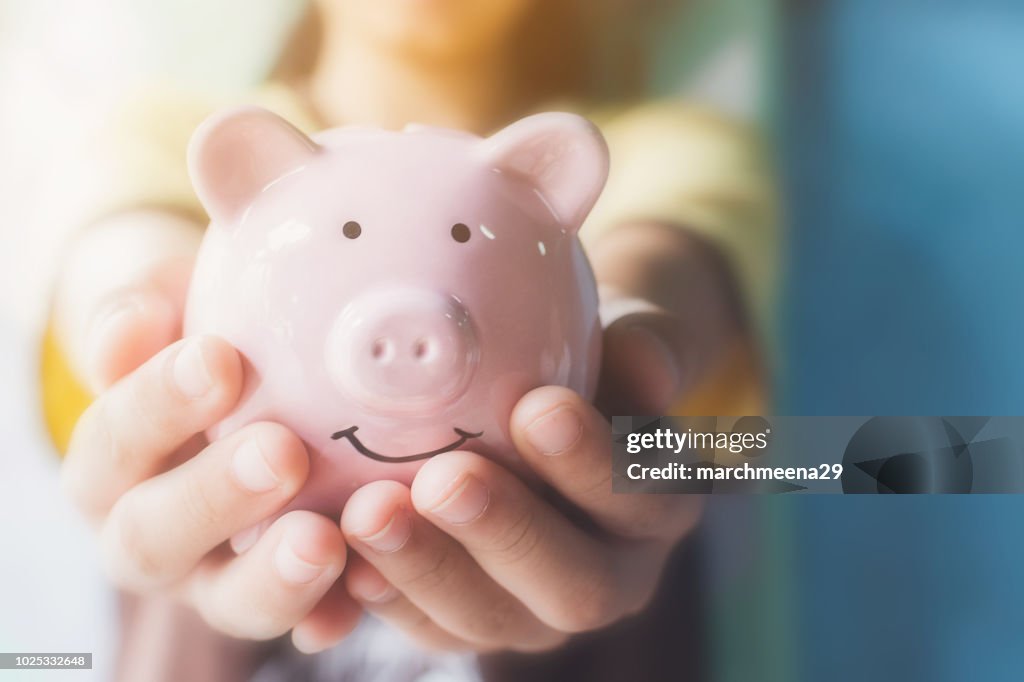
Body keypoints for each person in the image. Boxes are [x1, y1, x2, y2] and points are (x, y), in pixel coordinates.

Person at [44, 1, 776, 679]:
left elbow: (673, 272)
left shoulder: (665, 146)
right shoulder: (166, 132)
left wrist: (619, 342)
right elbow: (123, 232)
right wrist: (135, 311)